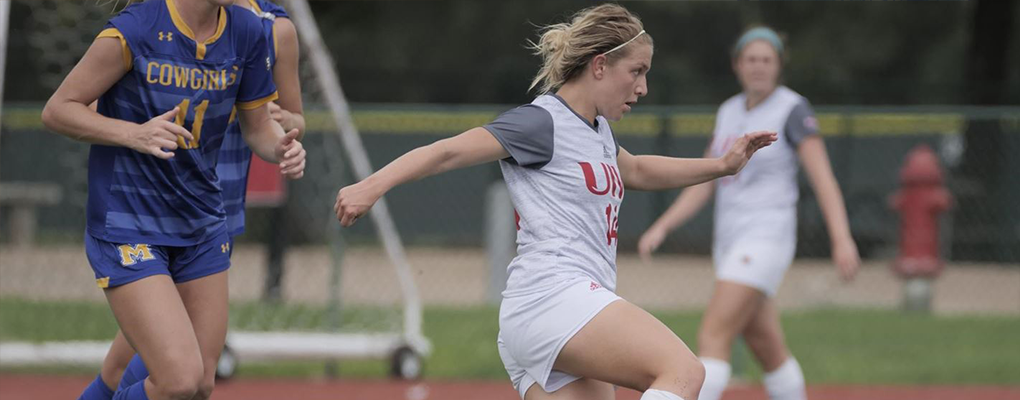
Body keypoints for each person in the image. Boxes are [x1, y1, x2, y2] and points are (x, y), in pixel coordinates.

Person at [334, 5, 776, 400]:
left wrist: (722, 166)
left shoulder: (597, 131)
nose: (642, 88)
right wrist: (370, 186)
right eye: (636, 71)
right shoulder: (541, 122)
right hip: (552, 299)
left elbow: (637, 170)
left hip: (553, 313)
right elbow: (447, 152)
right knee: (683, 371)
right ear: (600, 65)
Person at [41, 0, 306, 399]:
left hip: (200, 222)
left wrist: (282, 147)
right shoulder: (134, 30)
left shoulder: (249, 32)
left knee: (199, 384)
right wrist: (132, 133)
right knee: (177, 379)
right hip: (130, 222)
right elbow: (58, 110)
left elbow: (257, 128)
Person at [637, 27, 860, 400]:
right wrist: (664, 225)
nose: (759, 67)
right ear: (737, 65)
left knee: (713, 334)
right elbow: (708, 178)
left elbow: (824, 181)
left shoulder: (792, 108)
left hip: (766, 236)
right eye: (751, 59)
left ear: (779, 66)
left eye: (767, 60)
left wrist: (842, 239)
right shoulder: (728, 110)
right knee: (765, 344)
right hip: (730, 240)